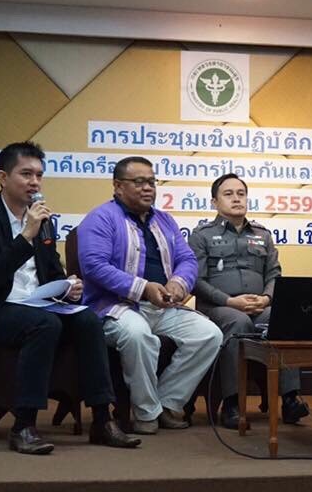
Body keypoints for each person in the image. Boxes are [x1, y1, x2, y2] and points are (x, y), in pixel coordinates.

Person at [0, 141, 139, 454]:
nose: (35, 182)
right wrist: (26, 234)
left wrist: (67, 286)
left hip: (36, 304)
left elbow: (51, 271)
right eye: (26, 174)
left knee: (88, 320)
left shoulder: (43, 220)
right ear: (3, 177)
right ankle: (24, 426)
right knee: (44, 324)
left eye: (39, 175)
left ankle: (102, 420)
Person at [78, 156, 223, 434]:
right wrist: (143, 287)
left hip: (162, 307)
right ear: (118, 186)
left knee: (209, 335)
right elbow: (94, 266)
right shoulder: (101, 218)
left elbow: (187, 259)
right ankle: (146, 413)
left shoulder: (164, 220)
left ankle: (166, 403)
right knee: (138, 335)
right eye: (139, 182)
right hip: (115, 306)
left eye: (152, 182)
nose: (148, 188)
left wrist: (179, 283)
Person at [188, 174, 309, 430]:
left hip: (258, 307)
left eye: (241, 194)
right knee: (239, 322)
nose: (236, 199)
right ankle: (232, 403)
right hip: (219, 309)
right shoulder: (201, 236)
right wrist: (230, 301)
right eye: (228, 194)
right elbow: (196, 281)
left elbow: (274, 274)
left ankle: (290, 399)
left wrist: (266, 298)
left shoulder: (262, 235)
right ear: (214, 202)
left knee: (283, 318)